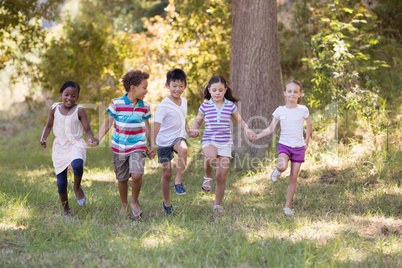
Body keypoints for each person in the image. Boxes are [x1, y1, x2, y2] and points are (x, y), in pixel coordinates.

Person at [190, 75, 256, 212]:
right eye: (214, 90)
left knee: (221, 176)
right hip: (209, 140)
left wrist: (248, 130)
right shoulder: (205, 106)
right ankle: (207, 177)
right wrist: (195, 129)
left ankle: (217, 205)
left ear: (225, 90)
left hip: (225, 143)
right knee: (210, 156)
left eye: (220, 90)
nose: (217, 93)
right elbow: (197, 121)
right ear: (209, 90)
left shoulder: (230, 106)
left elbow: (240, 121)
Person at [95, 70, 155, 219]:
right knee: (122, 179)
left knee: (136, 175)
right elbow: (108, 123)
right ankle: (124, 204)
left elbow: (148, 126)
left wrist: (151, 144)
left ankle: (134, 201)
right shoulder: (117, 103)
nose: (146, 91)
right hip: (119, 147)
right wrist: (97, 139)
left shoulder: (144, 107)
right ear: (133, 87)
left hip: (138, 146)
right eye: (144, 87)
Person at [252, 80, 312, 216]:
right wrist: (257, 136)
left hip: (299, 148)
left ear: (299, 94)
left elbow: (309, 125)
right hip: (285, 145)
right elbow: (271, 128)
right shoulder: (280, 110)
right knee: (282, 166)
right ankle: (277, 171)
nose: (292, 94)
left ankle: (287, 207)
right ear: (285, 93)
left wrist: (307, 141)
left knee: (293, 178)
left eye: (295, 92)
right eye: (289, 91)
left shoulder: (303, 110)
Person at [40, 81, 97, 217]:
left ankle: (77, 187)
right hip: (60, 146)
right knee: (61, 182)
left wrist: (91, 138)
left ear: (77, 97)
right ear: (61, 94)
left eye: (73, 96)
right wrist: (43, 137)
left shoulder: (80, 110)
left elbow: (87, 129)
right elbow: (48, 125)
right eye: (66, 95)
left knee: (77, 164)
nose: (69, 98)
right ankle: (66, 210)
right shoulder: (54, 108)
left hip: (76, 143)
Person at [153, 68, 195, 215]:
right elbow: (156, 126)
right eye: (174, 86)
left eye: (181, 86)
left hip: (178, 137)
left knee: (183, 149)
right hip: (164, 141)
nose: (178, 89)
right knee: (166, 173)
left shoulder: (183, 101)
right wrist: (152, 144)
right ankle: (167, 202)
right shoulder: (163, 106)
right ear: (167, 86)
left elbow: (183, 119)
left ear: (185, 86)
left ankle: (178, 182)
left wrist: (189, 132)